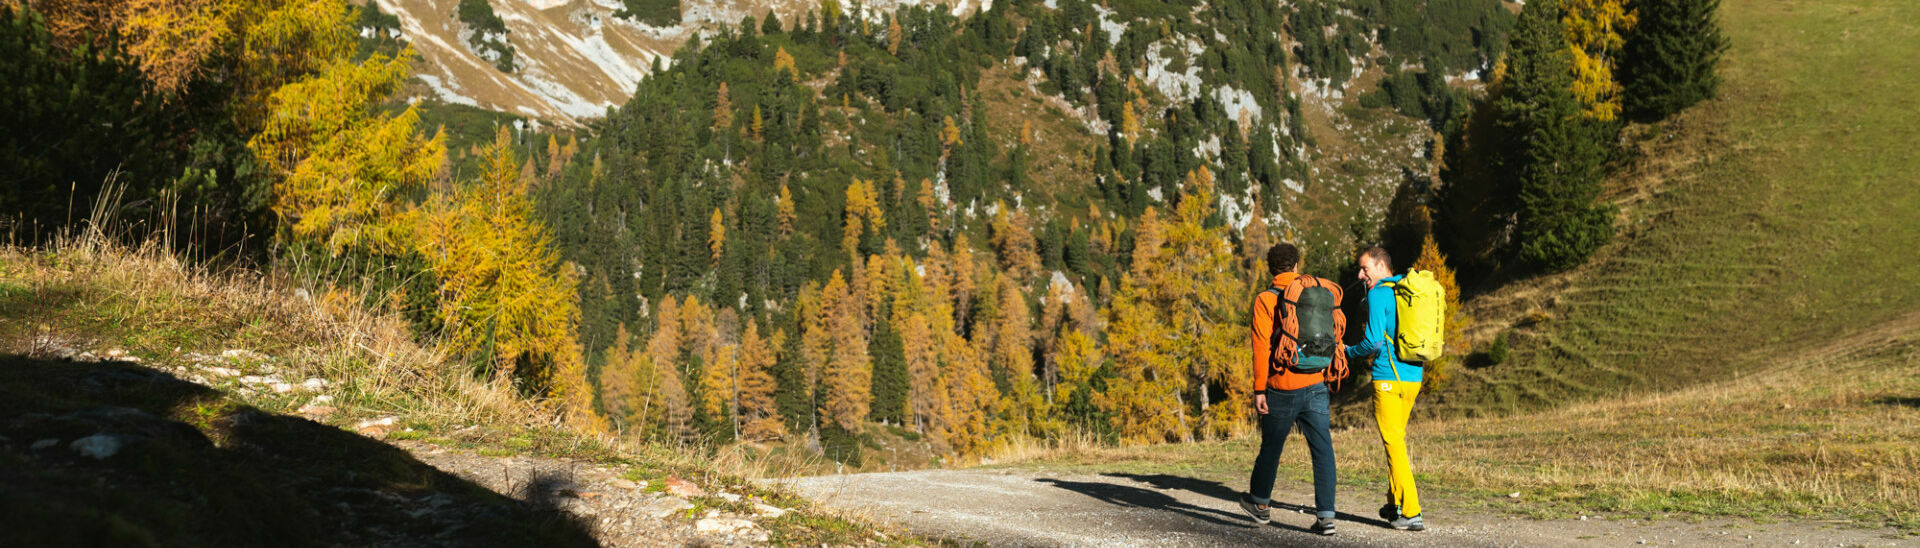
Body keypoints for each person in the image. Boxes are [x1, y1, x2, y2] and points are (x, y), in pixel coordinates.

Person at [1238, 243, 1339, 536]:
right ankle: (1326, 517)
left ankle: (1259, 504)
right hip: (1316, 381)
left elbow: (1260, 346)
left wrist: (1259, 390)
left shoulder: (1265, 299)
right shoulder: (1313, 293)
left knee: (1271, 447)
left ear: (1271, 269)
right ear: (1296, 266)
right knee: (1322, 450)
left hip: (1281, 385)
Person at [1346, 246, 1426, 531]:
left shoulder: (1379, 293)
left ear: (1381, 267)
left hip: (1388, 378)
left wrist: (1347, 350)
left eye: (1365, 268)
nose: (1360, 274)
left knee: (1393, 444)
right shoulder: (1405, 289)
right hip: (1413, 377)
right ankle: (1396, 504)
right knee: (1395, 442)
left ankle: (1412, 512)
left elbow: (1373, 343)